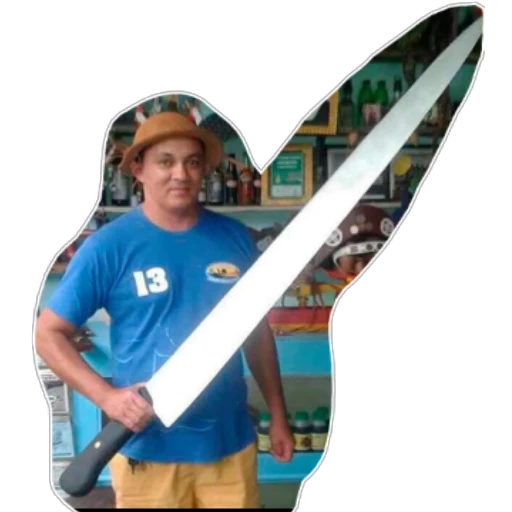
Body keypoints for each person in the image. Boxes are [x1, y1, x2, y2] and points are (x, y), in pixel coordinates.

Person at [35, 110, 295, 508]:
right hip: (147, 452)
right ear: (138, 169)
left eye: (192, 162)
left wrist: (278, 414)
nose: (180, 174)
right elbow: (47, 334)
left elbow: (256, 334)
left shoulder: (234, 239)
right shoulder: (108, 247)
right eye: (166, 162)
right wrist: (107, 397)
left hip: (229, 446)